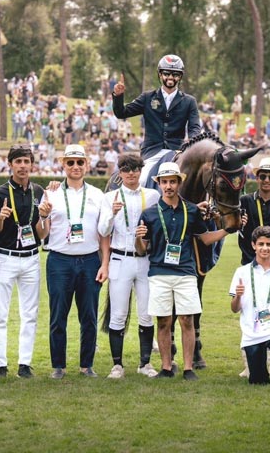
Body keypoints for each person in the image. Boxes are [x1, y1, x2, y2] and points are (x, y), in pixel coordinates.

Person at [135, 162, 232, 381]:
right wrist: (138, 238)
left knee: (187, 320)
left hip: (186, 272)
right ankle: (166, 367)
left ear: (179, 183)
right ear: (159, 184)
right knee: (163, 322)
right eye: (164, 182)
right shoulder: (149, 214)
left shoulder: (192, 210)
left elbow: (205, 238)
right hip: (159, 273)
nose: (168, 186)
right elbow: (142, 250)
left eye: (172, 181)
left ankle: (188, 368)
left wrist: (227, 230)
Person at [41, 144, 110, 379]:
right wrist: (42, 216)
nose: (75, 166)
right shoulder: (51, 193)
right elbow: (42, 233)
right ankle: (58, 366)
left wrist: (105, 264)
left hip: (90, 260)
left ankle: (86, 365)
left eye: (80, 162)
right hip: (59, 261)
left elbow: (104, 234)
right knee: (58, 315)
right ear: (63, 165)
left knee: (89, 316)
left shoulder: (97, 195)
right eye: (70, 162)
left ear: (87, 165)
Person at [0, 145, 49, 378]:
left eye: (26, 161)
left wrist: (44, 217)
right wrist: (1, 219)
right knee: (0, 314)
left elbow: (41, 234)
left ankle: (25, 363)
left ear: (32, 164)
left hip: (32, 257)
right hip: (6, 257)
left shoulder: (38, 191)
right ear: (10, 164)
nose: (23, 166)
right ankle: (0, 364)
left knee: (30, 313)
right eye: (18, 161)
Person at [98, 153, 161, 379]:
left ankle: (145, 363)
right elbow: (103, 230)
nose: (131, 173)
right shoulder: (110, 197)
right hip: (120, 258)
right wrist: (112, 214)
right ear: (120, 173)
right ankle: (117, 365)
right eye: (126, 169)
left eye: (135, 169)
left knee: (146, 313)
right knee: (118, 313)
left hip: (144, 259)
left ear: (141, 171)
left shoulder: (152, 195)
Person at [112, 54, 201, 185]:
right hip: (152, 152)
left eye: (175, 74)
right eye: (166, 73)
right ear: (160, 74)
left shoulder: (189, 101)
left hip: (177, 152)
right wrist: (118, 96)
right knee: (142, 181)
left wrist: (193, 144)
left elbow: (194, 128)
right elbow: (122, 113)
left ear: (180, 77)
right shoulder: (147, 97)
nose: (170, 77)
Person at [229, 226, 270, 385]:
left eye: (268, 244)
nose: (264, 248)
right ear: (254, 245)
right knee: (258, 381)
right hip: (252, 334)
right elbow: (234, 309)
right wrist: (238, 296)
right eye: (261, 244)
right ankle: (255, 367)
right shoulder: (241, 272)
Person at [238, 158, 270, 269]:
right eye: (263, 176)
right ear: (257, 178)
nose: (266, 180)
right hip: (249, 261)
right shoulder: (244, 201)